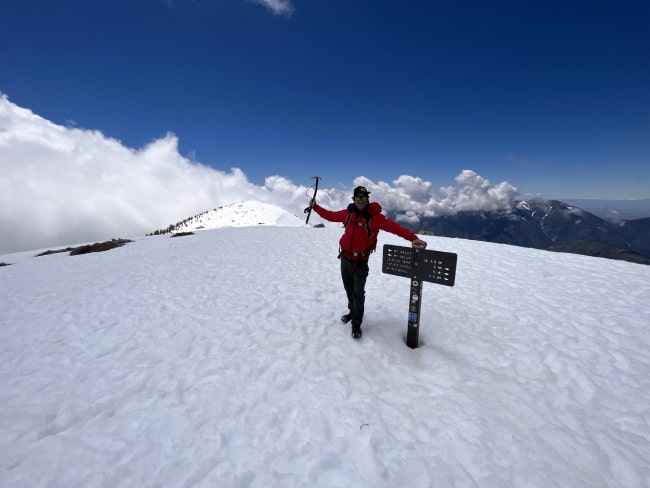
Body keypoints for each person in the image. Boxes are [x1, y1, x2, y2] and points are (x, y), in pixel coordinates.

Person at [309, 186, 427, 339]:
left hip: (360, 261)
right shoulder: (348, 214)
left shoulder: (375, 218)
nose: (360, 201)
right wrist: (315, 207)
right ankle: (352, 312)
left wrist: (413, 238)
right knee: (349, 289)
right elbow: (330, 216)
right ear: (353, 199)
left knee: (358, 294)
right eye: (358, 198)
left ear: (367, 199)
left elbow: (395, 228)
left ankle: (356, 324)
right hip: (344, 258)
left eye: (363, 198)